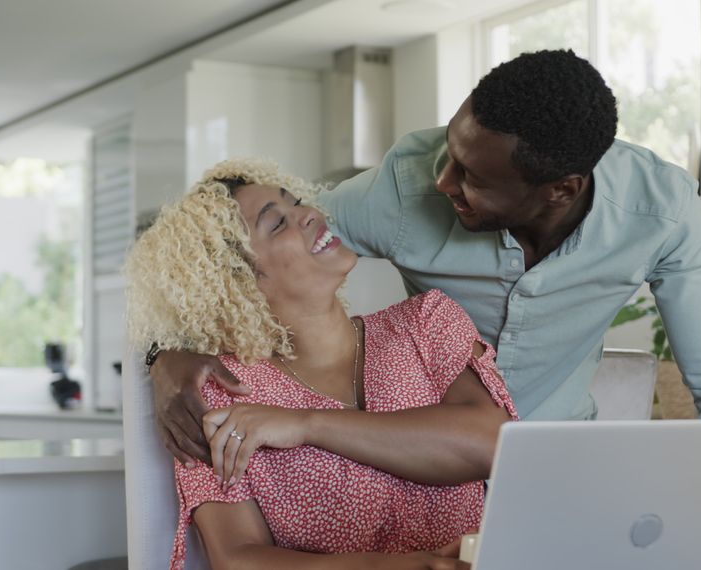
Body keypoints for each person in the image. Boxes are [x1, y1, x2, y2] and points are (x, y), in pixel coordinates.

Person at [149, 48, 701, 467]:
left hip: (559, 464)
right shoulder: (404, 190)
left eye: (472, 177)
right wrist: (164, 355)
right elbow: (237, 260)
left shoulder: (663, 214)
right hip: (425, 466)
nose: (442, 181)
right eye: (450, 151)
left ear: (560, 190)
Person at [124, 158, 517, 569]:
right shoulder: (221, 392)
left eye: (296, 203)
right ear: (237, 281)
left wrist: (307, 424)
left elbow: (492, 444)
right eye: (277, 223)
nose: (309, 214)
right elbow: (237, 557)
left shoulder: (426, 321)